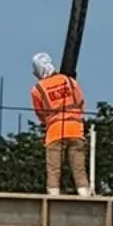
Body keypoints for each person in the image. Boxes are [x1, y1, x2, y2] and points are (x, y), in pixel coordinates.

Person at [31, 53, 89, 195]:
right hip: (76, 129)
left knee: (54, 171)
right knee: (79, 169)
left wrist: (50, 122)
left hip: (55, 132)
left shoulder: (38, 89)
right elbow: (81, 102)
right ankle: (85, 196)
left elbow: (40, 113)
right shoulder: (69, 81)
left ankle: (53, 200)